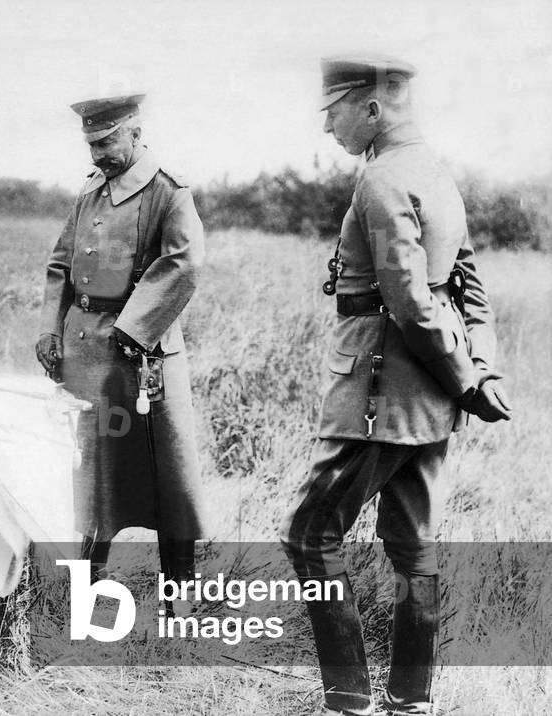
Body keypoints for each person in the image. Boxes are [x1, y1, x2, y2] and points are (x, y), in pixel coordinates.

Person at [281, 55, 512, 716]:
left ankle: (348, 701)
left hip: (377, 397)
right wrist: (478, 371)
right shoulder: (434, 172)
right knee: (414, 547)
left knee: (307, 535)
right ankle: (410, 701)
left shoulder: (381, 180)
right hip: (431, 401)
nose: (328, 127)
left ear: (371, 107)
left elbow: (408, 303)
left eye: (334, 111)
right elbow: (469, 288)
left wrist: (469, 381)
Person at [35, 94, 209, 597]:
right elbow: (59, 265)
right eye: (91, 143)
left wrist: (132, 330)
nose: (97, 155)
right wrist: (51, 328)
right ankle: (86, 592)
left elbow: (184, 263)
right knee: (91, 476)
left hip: (143, 357)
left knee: (168, 480)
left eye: (107, 141)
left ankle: (180, 600)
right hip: (85, 353)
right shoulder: (90, 192)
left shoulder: (168, 192)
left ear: (135, 131)